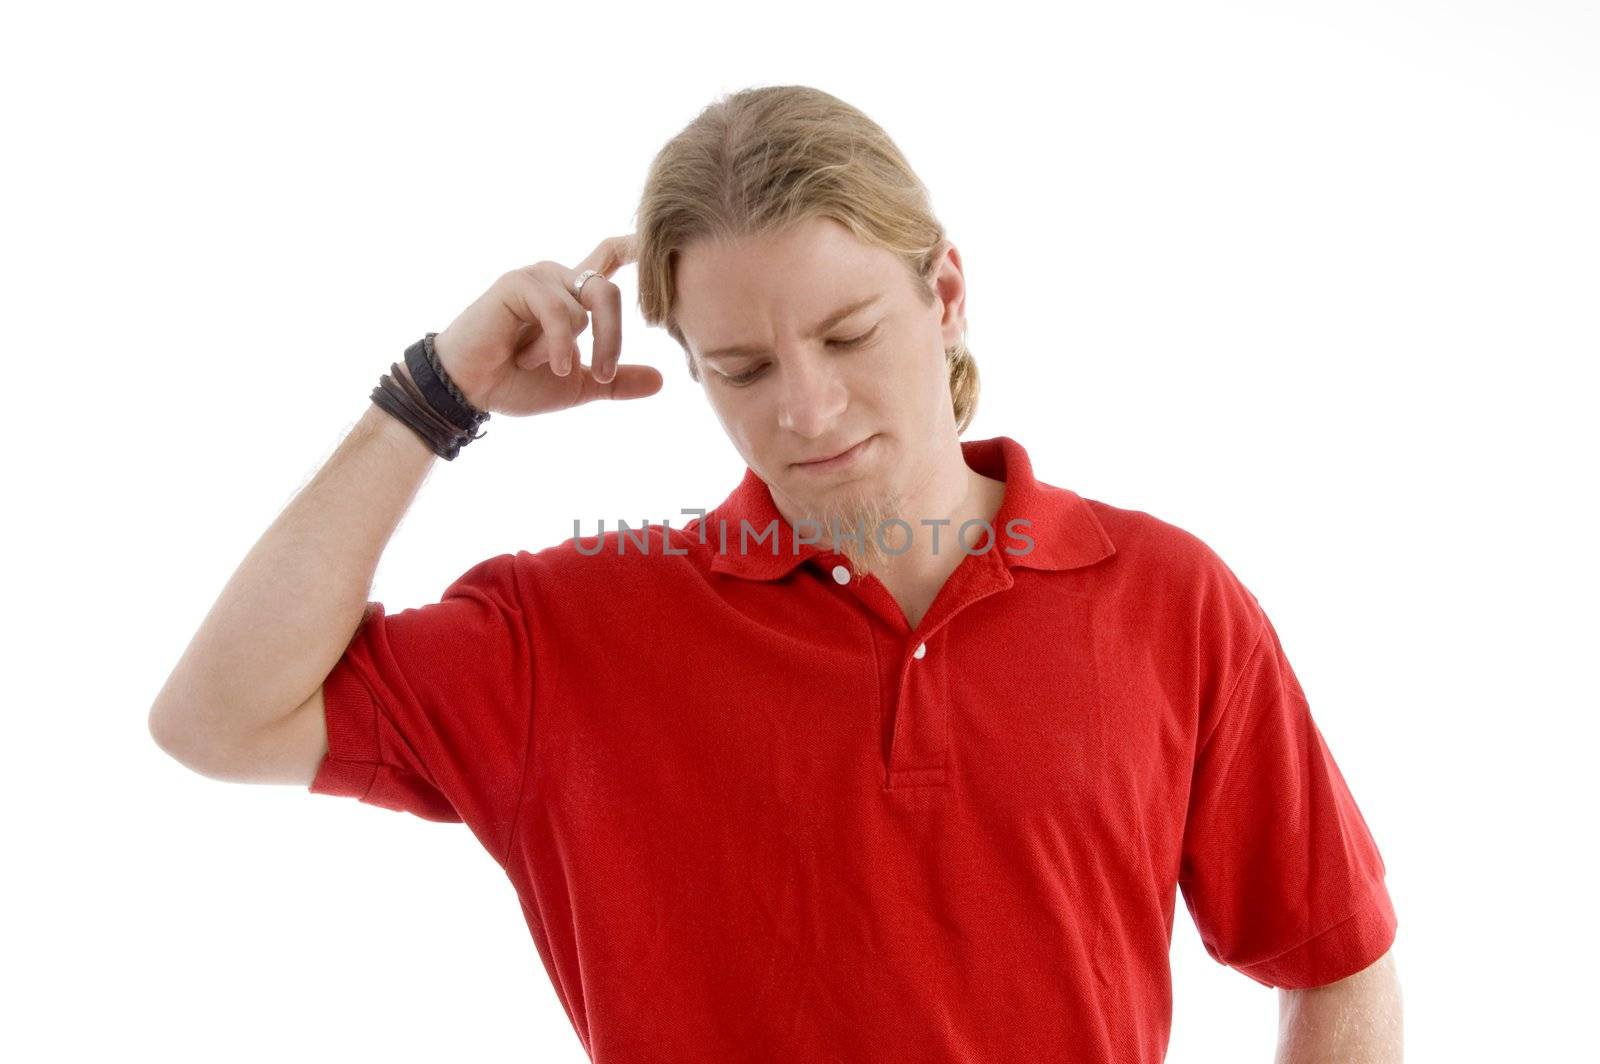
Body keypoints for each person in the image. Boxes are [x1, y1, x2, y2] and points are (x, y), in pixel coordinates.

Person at [148, 85, 1401, 1063]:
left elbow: (1333, 952)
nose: (806, 408)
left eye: (847, 335)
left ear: (945, 292)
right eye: (740, 368)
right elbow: (217, 714)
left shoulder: (1165, 599)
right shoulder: (568, 632)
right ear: (686, 363)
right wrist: (437, 392)